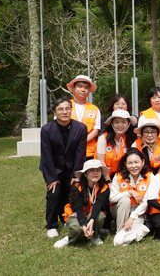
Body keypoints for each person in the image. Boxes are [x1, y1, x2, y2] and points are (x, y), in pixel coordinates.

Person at [40, 98, 87, 238]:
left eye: (67, 108)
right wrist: (51, 178)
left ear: (71, 110)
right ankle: (51, 225)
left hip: (72, 168)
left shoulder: (81, 128)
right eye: (60, 109)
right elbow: (46, 155)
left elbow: (80, 153)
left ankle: (66, 218)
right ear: (54, 112)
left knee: (71, 193)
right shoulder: (47, 129)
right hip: (52, 168)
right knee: (54, 194)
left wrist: (76, 175)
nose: (64, 112)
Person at [53, 160, 109, 248]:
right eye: (91, 170)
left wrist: (91, 220)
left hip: (92, 214)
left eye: (98, 170)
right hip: (77, 214)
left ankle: (94, 236)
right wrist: (83, 225)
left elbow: (98, 204)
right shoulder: (77, 187)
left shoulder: (104, 187)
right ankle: (69, 238)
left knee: (101, 216)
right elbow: (78, 208)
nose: (95, 173)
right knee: (76, 228)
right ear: (85, 174)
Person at [109, 148, 151, 246]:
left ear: (143, 162)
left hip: (138, 211)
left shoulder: (150, 177)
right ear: (125, 164)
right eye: (130, 163)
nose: (134, 166)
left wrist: (131, 218)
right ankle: (119, 232)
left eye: (136, 162)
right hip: (119, 209)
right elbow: (112, 198)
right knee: (125, 200)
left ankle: (126, 235)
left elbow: (145, 202)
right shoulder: (118, 176)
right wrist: (129, 192)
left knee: (138, 229)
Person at [67, 75, 101, 159]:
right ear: (73, 89)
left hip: (88, 152)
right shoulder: (65, 106)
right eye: (80, 86)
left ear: (89, 91)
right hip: (68, 149)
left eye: (86, 87)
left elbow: (96, 130)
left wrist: (81, 141)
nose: (83, 90)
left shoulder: (94, 109)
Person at [96, 109, 137, 179]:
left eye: (123, 122)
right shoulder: (103, 138)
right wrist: (108, 181)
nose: (120, 125)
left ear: (128, 124)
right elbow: (101, 161)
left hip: (122, 177)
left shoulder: (131, 139)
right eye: (116, 122)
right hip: (103, 176)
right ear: (112, 124)